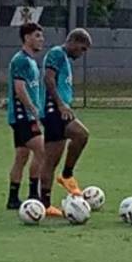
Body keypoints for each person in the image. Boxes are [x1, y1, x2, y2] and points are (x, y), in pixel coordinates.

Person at [40, 28, 93, 217]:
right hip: (53, 110)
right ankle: (65, 177)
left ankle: (46, 202)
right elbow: (49, 79)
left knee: (52, 158)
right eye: (82, 49)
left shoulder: (64, 59)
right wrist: (61, 105)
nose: (82, 53)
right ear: (73, 42)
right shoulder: (56, 53)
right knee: (80, 135)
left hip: (58, 110)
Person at [5, 22, 45, 210]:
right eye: (37, 36)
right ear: (27, 37)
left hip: (24, 116)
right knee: (43, 151)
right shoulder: (20, 60)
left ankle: (13, 198)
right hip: (23, 116)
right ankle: (33, 194)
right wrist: (34, 110)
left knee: (21, 156)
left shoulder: (30, 61)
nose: (41, 39)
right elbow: (19, 89)